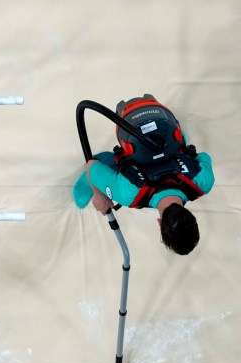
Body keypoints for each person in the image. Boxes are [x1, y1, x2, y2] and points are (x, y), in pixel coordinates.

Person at [74, 95, 214, 255]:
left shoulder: (204, 181)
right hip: (125, 121)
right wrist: (99, 195)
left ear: (192, 216)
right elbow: (91, 165)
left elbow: (203, 157)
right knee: (104, 169)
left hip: (159, 114)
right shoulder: (129, 194)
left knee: (182, 144)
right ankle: (99, 171)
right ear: (160, 223)